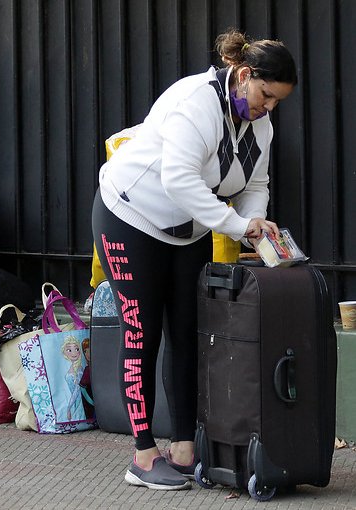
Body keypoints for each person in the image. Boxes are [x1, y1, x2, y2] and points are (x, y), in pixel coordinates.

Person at [91, 28, 296, 490]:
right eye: (266, 95)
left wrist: (256, 221)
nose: (269, 108)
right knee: (143, 331)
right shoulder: (196, 102)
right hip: (130, 216)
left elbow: (255, 184)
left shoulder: (259, 124)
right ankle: (143, 457)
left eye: (277, 101)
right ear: (243, 75)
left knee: (188, 332)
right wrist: (238, 225)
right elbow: (179, 181)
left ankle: (183, 450)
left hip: (187, 231)